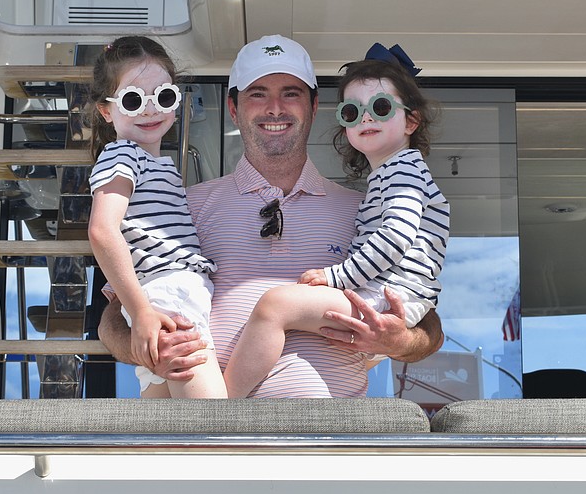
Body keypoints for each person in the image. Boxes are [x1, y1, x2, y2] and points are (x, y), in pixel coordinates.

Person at [98, 34, 444, 398]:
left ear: (314, 105)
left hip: (335, 443)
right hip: (218, 445)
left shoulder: (365, 211)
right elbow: (114, 318)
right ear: (234, 108)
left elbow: (429, 324)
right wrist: (147, 346)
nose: (275, 108)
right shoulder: (182, 205)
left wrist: (401, 339)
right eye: (257, 94)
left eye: (290, 93)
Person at [222, 48, 450, 398]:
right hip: (226, 450)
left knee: (277, 305)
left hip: (330, 433)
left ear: (411, 121)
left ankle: (216, 411)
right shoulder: (189, 204)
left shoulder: (399, 176)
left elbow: (394, 241)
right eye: (352, 111)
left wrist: (398, 338)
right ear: (233, 109)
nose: (366, 119)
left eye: (382, 107)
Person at [87, 36, 226, 398]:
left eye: (163, 97)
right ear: (106, 111)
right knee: (215, 426)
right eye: (133, 100)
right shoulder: (122, 155)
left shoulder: (152, 164)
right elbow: (103, 231)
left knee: (165, 435)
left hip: (163, 295)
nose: (150, 110)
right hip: (168, 294)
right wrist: (142, 311)